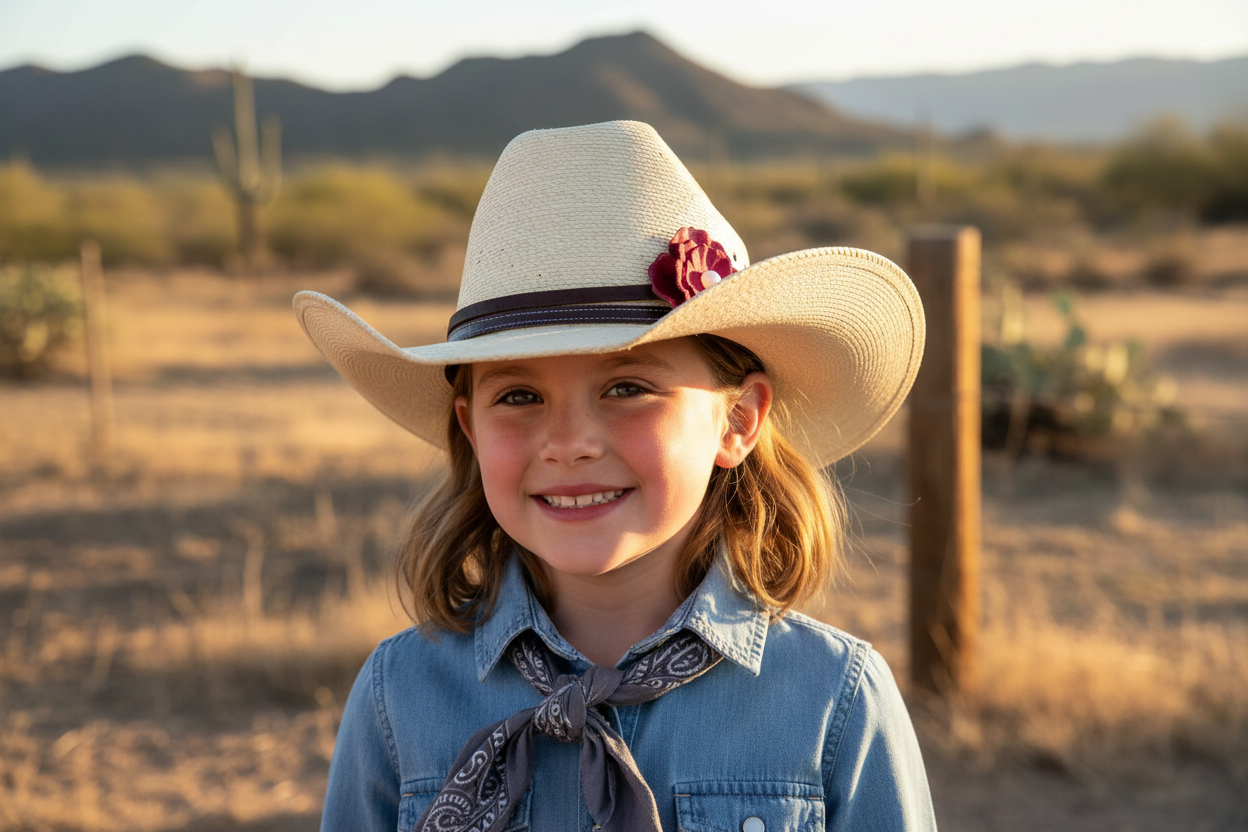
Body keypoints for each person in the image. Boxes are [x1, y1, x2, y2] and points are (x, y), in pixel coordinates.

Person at [295, 120, 935, 832]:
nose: (569, 444)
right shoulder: (400, 697)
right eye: (519, 396)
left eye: (627, 387)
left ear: (739, 420)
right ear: (471, 428)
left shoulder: (832, 702)